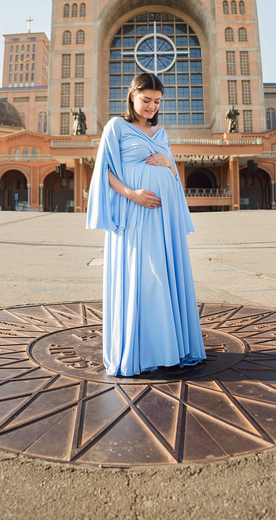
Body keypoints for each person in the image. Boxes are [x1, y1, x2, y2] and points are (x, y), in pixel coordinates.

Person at [87, 72, 206, 377]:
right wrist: (133, 194)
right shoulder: (116, 127)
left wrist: (168, 163)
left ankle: (170, 349)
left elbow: (172, 172)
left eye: (157, 101)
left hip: (163, 219)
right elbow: (105, 172)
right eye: (146, 100)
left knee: (164, 276)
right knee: (143, 278)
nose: (152, 106)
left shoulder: (161, 133)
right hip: (135, 213)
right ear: (132, 97)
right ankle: (141, 350)